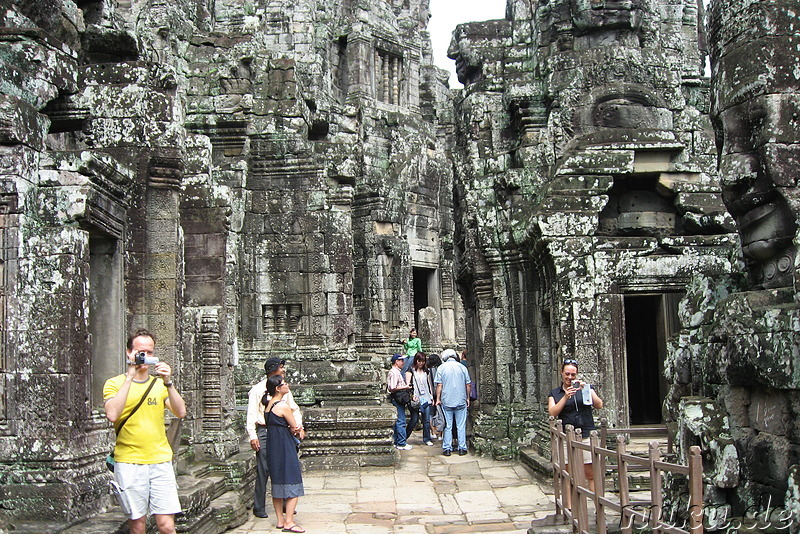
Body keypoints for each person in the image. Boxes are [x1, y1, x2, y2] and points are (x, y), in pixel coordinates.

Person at [103, 328, 187, 534]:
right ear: (128, 353)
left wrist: (169, 382)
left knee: (167, 525)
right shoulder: (114, 383)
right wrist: (130, 376)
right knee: (138, 524)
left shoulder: (159, 385)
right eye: (141, 352)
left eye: (150, 353)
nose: (145, 357)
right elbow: (112, 414)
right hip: (129, 462)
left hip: (160, 461)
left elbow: (181, 411)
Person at [246, 357, 304, 519]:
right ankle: (259, 506)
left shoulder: (284, 390)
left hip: (284, 431)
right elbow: (252, 414)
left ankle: (287, 503)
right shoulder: (258, 390)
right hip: (265, 431)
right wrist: (252, 435)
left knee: (284, 466)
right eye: (281, 367)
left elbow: (294, 409)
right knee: (263, 468)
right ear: (273, 370)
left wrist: (299, 426)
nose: (284, 370)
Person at [547, 358, 604, 501]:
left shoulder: (585, 389)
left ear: (577, 375)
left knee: (591, 474)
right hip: (567, 436)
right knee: (568, 474)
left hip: (586, 434)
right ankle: (570, 509)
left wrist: (587, 390)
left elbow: (599, 405)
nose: (570, 378)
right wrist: (566, 397)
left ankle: (598, 507)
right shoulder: (555, 393)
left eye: (573, 375)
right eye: (567, 374)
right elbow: (553, 412)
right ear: (561, 373)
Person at [262, 375, 305, 533]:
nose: (287, 385)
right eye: (284, 384)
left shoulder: (268, 405)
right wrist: (299, 429)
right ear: (278, 389)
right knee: (293, 480)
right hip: (285, 446)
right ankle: (289, 521)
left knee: (277, 482)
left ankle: (280, 519)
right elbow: (295, 427)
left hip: (273, 446)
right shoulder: (282, 406)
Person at [434, 349, 471, 456]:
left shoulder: (441, 368)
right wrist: (467, 398)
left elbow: (439, 385)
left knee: (448, 425)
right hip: (461, 399)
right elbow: (468, 384)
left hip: (447, 400)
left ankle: (447, 448)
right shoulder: (462, 367)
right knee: (460, 425)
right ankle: (462, 448)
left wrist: (438, 399)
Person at [387, 353, 413, 450]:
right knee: (401, 420)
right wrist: (405, 387)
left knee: (399, 420)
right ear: (396, 362)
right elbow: (392, 387)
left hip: (398, 398)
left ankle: (398, 441)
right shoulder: (394, 372)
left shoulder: (396, 371)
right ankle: (401, 442)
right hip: (397, 398)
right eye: (401, 361)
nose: (403, 362)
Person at [408, 353, 435, 446]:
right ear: (416, 361)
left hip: (426, 397)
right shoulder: (411, 370)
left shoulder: (426, 371)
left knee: (426, 419)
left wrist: (431, 396)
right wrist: (411, 395)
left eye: (423, 361)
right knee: (414, 419)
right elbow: (408, 384)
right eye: (419, 361)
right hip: (416, 397)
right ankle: (404, 437)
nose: (421, 363)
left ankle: (427, 438)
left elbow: (429, 384)